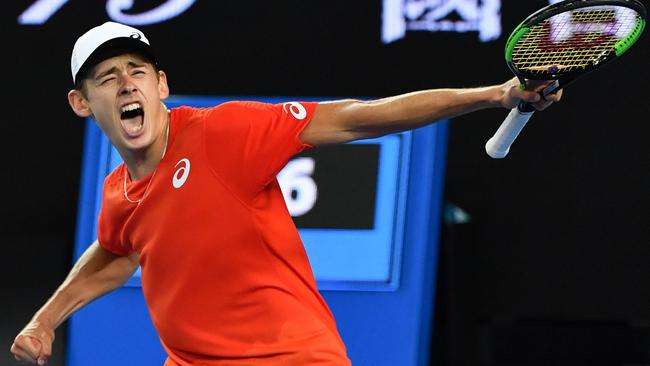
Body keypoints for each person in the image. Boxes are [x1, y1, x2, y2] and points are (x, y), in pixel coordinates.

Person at [10, 22, 561, 366]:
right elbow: (115, 251)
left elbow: (360, 118)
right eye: (107, 78)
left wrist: (496, 93)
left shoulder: (225, 135)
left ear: (162, 86)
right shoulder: (117, 193)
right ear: (83, 104)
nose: (127, 83)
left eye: (137, 70)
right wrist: (45, 320)